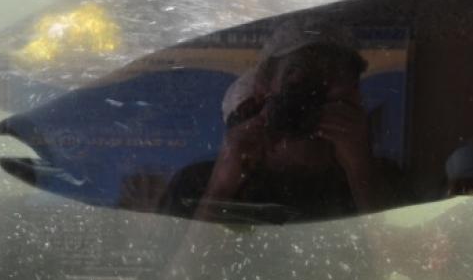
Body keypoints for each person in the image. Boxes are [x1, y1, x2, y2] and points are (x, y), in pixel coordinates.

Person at [163, 20, 403, 223]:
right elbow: (179, 275)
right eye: (298, 78)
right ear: (263, 89)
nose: (314, 94)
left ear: (354, 96)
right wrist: (221, 186)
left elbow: (401, 266)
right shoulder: (194, 184)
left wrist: (361, 169)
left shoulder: (386, 180)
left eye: (336, 76)